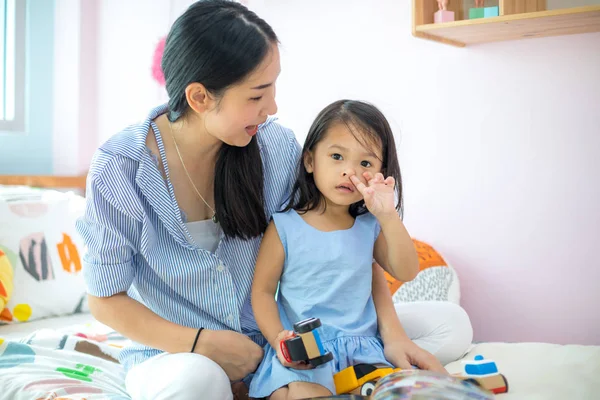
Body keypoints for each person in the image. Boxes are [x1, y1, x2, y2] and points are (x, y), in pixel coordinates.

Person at [76, 1, 472, 400]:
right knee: (198, 381)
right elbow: (106, 299)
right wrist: (204, 345)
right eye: (256, 95)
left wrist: (393, 335)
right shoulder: (119, 169)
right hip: (178, 350)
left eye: (274, 87)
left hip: (286, 337)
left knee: (451, 325)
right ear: (199, 97)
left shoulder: (275, 148)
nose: (273, 108)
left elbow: (348, 250)